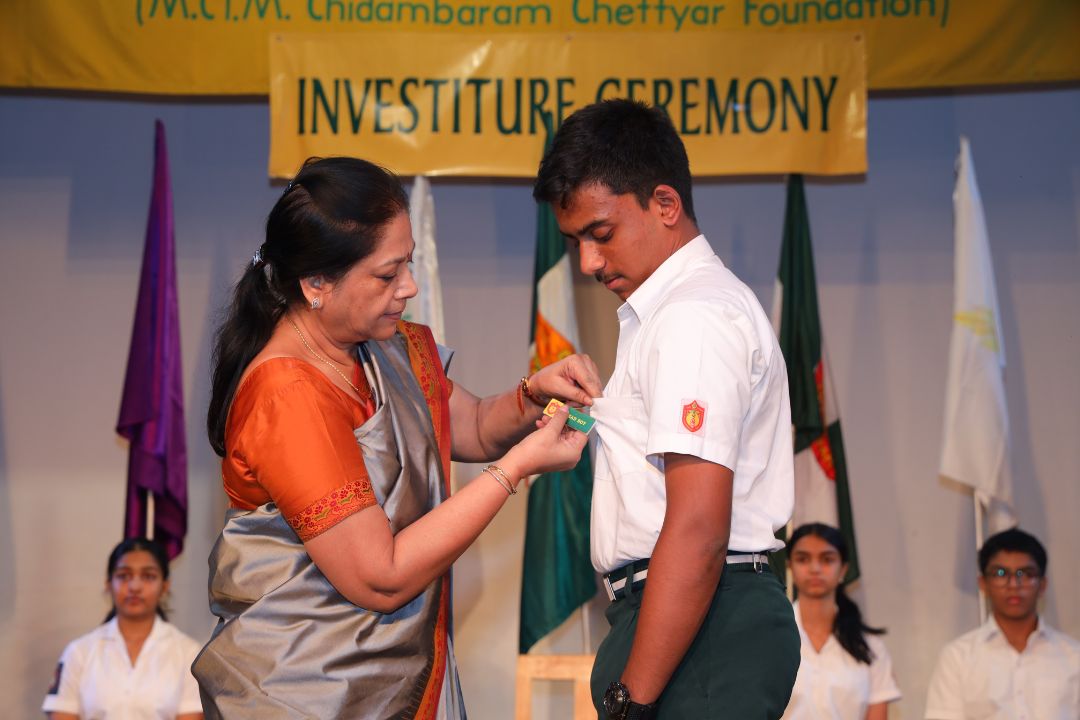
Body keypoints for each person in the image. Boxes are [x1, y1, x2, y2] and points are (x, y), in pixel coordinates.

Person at [193, 156, 598, 719]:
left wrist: (532, 395)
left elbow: (475, 427)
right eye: (387, 275)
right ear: (316, 283)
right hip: (308, 694)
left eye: (408, 264)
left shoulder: (381, 348)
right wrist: (516, 469)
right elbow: (379, 579)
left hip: (388, 684)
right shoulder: (288, 394)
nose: (409, 287)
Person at [533, 99, 799, 720]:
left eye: (601, 234)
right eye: (576, 241)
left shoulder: (693, 317)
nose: (589, 262)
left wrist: (633, 699)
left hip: (704, 620)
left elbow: (699, 527)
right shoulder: (667, 314)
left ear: (665, 204)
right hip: (686, 615)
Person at [925, 528, 1080, 720]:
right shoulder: (958, 658)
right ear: (983, 584)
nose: (1014, 584)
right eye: (1000, 573)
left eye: (1026, 573)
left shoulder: (1073, 657)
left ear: (1042, 585)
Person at [42, 537, 204, 720]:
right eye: (123, 576)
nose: (135, 586)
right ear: (108, 584)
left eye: (148, 576)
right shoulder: (79, 652)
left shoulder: (188, 653)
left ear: (165, 586)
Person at [782, 523, 900, 720]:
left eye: (827, 559)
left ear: (843, 569)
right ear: (790, 566)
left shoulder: (870, 647)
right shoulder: (771, 637)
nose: (815, 568)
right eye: (803, 559)